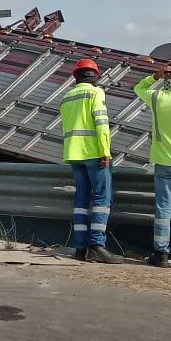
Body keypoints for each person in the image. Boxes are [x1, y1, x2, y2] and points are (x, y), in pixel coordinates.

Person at [60, 58, 123, 263]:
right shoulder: (96, 93)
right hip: (94, 153)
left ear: (75, 77)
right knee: (101, 200)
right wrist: (105, 151)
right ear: (95, 76)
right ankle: (97, 246)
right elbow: (101, 124)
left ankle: (80, 248)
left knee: (80, 200)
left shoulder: (66, 97)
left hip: (73, 154)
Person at [134, 65, 171, 267]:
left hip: (163, 161)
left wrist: (154, 76)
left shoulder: (157, 98)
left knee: (163, 208)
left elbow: (138, 89)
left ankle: (161, 254)